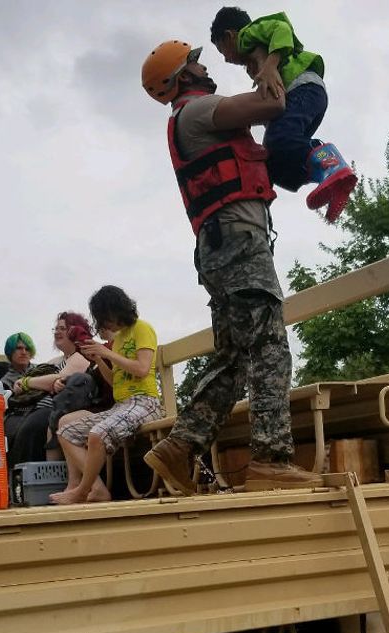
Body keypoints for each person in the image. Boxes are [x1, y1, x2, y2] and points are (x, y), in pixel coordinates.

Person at [139, 40, 321, 495]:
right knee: (270, 346)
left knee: (234, 359)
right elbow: (274, 103)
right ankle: (270, 460)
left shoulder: (188, 117)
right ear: (184, 76)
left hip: (220, 247)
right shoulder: (198, 111)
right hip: (238, 244)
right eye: (198, 62)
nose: (208, 66)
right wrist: (269, 62)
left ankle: (179, 448)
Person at [209, 7, 357, 222]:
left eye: (223, 51)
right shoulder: (255, 55)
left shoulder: (249, 34)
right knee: (274, 161)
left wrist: (270, 64)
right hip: (305, 97)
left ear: (230, 36)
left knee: (279, 139)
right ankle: (328, 179)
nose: (226, 59)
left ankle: (332, 164)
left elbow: (282, 27)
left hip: (303, 88)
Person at [50, 287, 163, 505]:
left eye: (105, 317)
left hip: (146, 402)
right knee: (66, 431)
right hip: (123, 405)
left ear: (116, 309)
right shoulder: (119, 339)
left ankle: (82, 491)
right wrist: (99, 359)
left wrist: (107, 353)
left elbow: (141, 369)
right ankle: (96, 489)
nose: (105, 324)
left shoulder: (143, 328)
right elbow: (114, 382)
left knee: (98, 434)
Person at [6, 312, 92, 467]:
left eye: (63, 328)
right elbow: (46, 380)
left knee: (31, 429)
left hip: (55, 411)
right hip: (35, 409)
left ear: (76, 331)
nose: (57, 332)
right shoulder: (55, 361)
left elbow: (57, 379)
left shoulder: (80, 358)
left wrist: (26, 382)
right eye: (56, 328)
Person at [1, 331, 35, 446]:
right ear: (10, 352)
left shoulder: (43, 371)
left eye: (27, 348)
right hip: (18, 419)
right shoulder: (4, 383)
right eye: (19, 348)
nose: (24, 352)